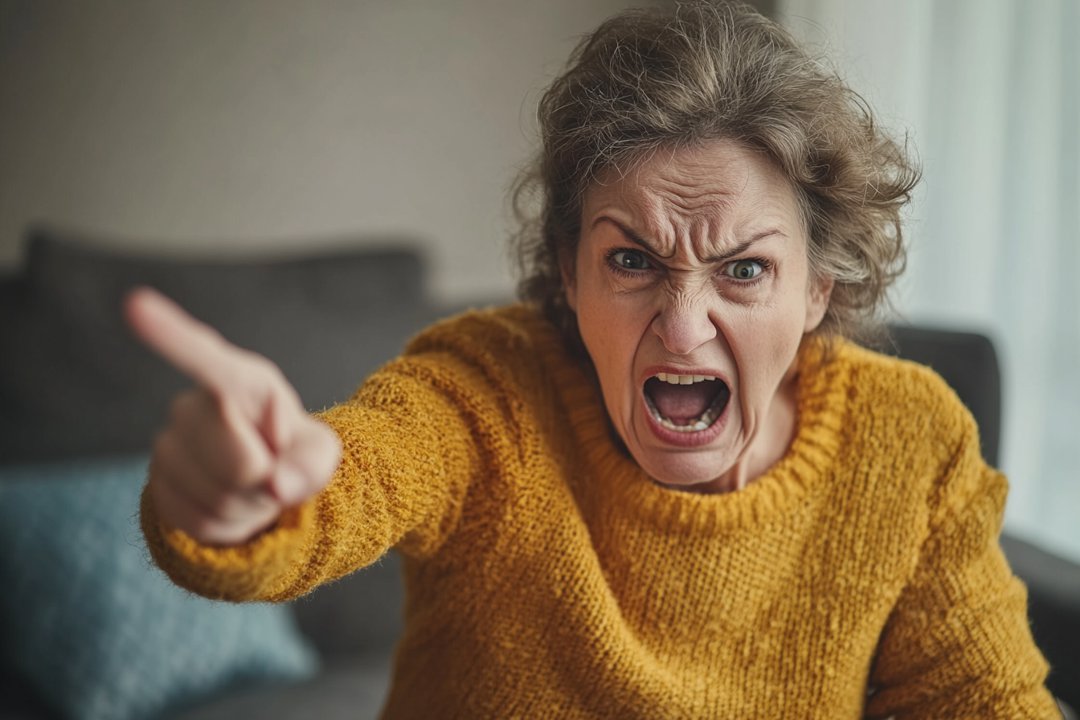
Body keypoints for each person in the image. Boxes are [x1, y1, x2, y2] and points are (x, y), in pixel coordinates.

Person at [126, 1, 1059, 717]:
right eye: (631, 260)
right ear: (568, 273)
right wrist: (248, 503)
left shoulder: (912, 442)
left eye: (744, 268)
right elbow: (364, 471)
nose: (685, 327)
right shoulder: (490, 394)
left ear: (818, 289)